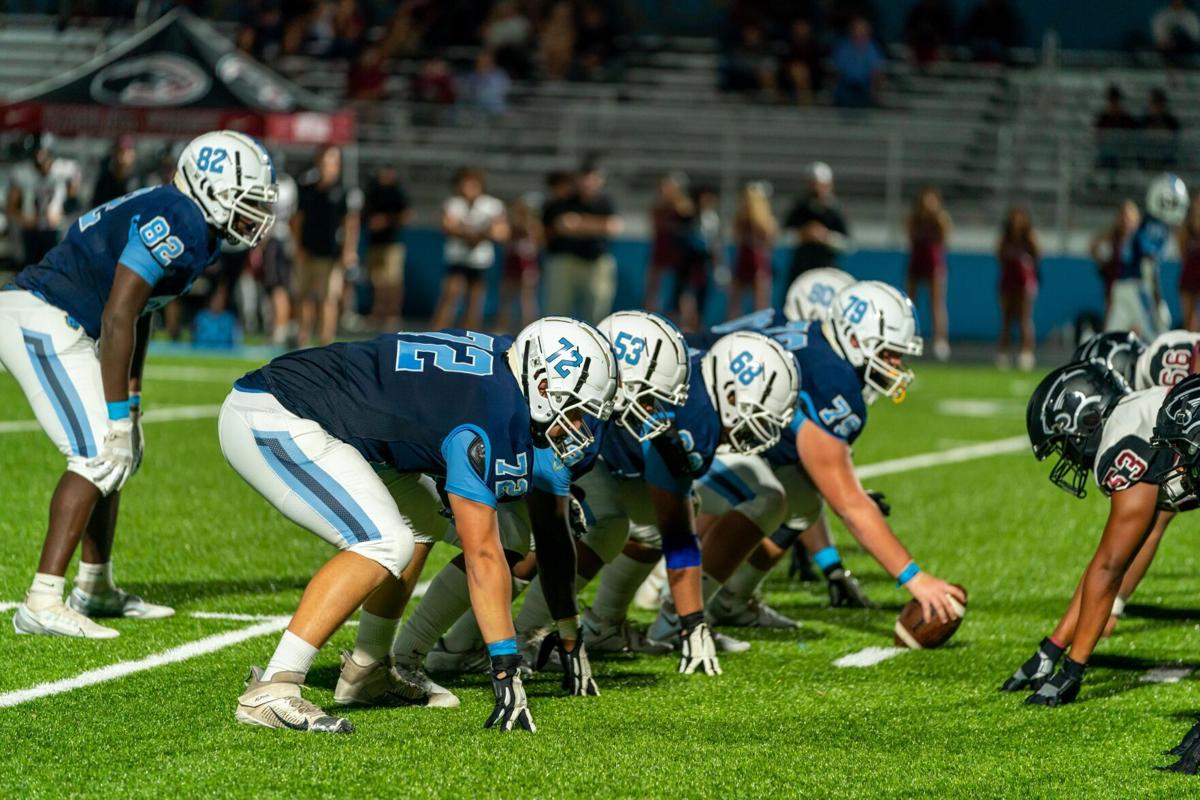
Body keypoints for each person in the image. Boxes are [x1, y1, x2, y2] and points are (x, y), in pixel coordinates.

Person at [219, 318, 618, 733]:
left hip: (336, 423)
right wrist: (505, 667)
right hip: (276, 412)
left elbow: (529, 534)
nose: (579, 427)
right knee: (383, 542)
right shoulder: (489, 414)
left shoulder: (510, 369)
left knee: (442, 525)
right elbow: (482, 552)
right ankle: (273, 685)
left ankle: (368, 668)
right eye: (574, 411)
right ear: (540, 386)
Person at [0, 130, 276, 638]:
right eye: (246, 201)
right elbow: (120, 311)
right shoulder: (182, 217)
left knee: (123, 452)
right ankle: (41, 599)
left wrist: (132, 399)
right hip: (41, 316)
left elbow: (142, 310)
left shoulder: (194, 224)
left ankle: (95, 586)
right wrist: (116, 417)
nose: (253, 216)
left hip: (61, 319)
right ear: (213, 187)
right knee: (99, 452)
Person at [390, 311, 691, 700]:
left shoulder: (578, 409)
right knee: (491, 534)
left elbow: (553, 529)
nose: (654, 413)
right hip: (410, 445)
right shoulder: (554, 403)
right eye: (648, 398)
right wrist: (567, 630)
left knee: (522, 534)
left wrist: (569, 629)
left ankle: (449, 649)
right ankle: (406, 655)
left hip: (439, 445)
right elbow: (551, 533)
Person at [661, 282, 964, 636]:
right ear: (854, 340)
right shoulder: (832, 378)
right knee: (763, 496)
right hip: (677, 422)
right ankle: (675, 616)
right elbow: (848, 504)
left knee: (801, 498)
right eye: (889, 354)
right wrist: (915, 578)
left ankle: (731, 601)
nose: (896, 366)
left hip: (695, 414)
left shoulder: (820, 342)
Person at [519, 328, 800, 665]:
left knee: (639, 523)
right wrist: (692, 622)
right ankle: (505, 637)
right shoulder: (694, 419)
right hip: (569, 446)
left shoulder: (696, 390)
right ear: (730, 395)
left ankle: (603, 626)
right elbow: (677, 528)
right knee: (546, 536)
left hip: (596, 450)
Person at [1002, 360, 1187, 706]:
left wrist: (1072, 670)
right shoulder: (1139, 417)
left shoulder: (1122, 439)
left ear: (1084, 419)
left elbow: (1110, 568)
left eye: (1063, 442)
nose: (1068, 455)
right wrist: (1052, 649)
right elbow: (1106, 562)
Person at [292, 146, 361, 346]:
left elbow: (350, 223)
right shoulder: (307, 190)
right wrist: (297, 247)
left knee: (328, 298)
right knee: (304, 296)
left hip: (331, 253)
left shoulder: (343, 193)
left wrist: (349, 251)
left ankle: (325, 342)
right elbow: (297, 220)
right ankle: (302, 338)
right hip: (308, 251)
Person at [1106, 174, 1189, 338]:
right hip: (1137, 287)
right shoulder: (1156, 226)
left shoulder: (1147, 221)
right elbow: (1147, 265)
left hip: (1122, 285)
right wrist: (1157, 301)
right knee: (1158, 338)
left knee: (1112, 339)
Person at [542, 160, 622, 322]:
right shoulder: (566, 200)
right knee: (557, 314)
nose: (589, 183)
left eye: (594, 178)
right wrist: (598, 225)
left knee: (598, 313)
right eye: (585, 177)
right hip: (567, 261)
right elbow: (564, 225)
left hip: (596, 262)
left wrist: (580, 224)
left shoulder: (605, 202)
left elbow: (613, 228)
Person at [431, 167, 508, 330]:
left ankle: (469, 339)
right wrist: (477, 234)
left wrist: (473, 234)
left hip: (479, 260)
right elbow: (447, 226)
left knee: (474, 302)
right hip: (457, 257)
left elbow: (501, 232)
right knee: (450, 296)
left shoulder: (492, 205)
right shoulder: (453, 203)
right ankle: (435, 336)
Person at [6, 133, 82, 266]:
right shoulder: (22, 173)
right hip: (31, 230)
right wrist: (23, 218)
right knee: (29, 270)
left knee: (53, 269)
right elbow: (11, 206)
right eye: (37, 153)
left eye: (43, 153)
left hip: (55, 230)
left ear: (52, 153)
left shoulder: (65, 170)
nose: (40, 158)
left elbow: (74, 201)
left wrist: (62, 213)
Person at [362, 165, 412, 331]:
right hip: (375, 242)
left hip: (392, 243)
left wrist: (386, 221)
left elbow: (406, 215)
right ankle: (377, 312)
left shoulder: (397, 192)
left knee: (393, 281)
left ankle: (393, 314)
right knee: (376, 280)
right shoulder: (373, 190)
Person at [785, 162, 850, 285]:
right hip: (801, 271)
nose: (817, 189)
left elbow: (847, 244)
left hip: (826, 272)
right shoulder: (799, 208)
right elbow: (785, 237)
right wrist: (804, 234)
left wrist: (826, 237)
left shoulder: (835, 211)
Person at [906, 186, 951, 361]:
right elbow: (910, 238)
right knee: (911, 303)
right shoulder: (914, 219)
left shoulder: (940, 219)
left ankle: (940, 340)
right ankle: (909, 337)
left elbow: (945, 239)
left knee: (937, 304)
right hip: (917, 260)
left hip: (934, 263)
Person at [996, 206, 1040, 371]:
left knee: (1024, 318)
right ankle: (1003, 352)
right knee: (1006, 318)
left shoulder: (1029, 239)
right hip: (1008, 281)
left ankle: (1026, 352)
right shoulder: (1005, 239)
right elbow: (999, 255)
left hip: (1024, 282)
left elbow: (1037, 256)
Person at [728, 182, 777, 320]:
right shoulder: (742, 217)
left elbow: (769, 239)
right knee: (736, 300)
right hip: (745, 258)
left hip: (757, 260)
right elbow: (736, 236)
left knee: (760, 301)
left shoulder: (765, 220)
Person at [263, 164, 298, 347]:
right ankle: (283, 325)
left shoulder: (276, 185)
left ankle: (280, 327)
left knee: (277, 286)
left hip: (276, 237)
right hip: (288, 237)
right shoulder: (291, 183)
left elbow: (268, 212)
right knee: (282, 285)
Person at [643, 173, 688, 314]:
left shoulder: (683, 207)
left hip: (677, 251)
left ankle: (683, 320)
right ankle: (649, 314)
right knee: (653, 287)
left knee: (681, 290)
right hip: (660, 249)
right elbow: (655, 226)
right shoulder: (658, 207)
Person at [498, 194, 542, 331]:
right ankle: (502, 327)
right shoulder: (511, 224)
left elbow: (538, 240)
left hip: (527, 264)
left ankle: (528, 328)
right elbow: (504, 237)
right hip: (512, 263)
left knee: (527, 299)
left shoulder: (534, 225)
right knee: (506, 297)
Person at [1089, 199, 1140, 317]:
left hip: (1134, 287)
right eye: (1123, 217)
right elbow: (1094, 245)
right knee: (1112, 318)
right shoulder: (1113, 236)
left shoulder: (1139, 239)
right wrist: (1102, 262)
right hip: (1114, 284)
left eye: (1128, 217)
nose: (1125, 221)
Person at [830, 17, 885, 108]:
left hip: (865, 85)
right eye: (858, 28)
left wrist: (875, 91)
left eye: (863, 29)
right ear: (852, 30)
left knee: (867, 95)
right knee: (843, 94)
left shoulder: (872, 48)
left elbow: (877, 71)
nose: (860, 31)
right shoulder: (844, 47)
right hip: (846, 84)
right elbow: (837, 70)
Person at [91, 137, 140, 208]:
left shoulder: (140, 180)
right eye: (120, 151)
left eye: (127, 151)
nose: (123, 156)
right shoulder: (104, 181)